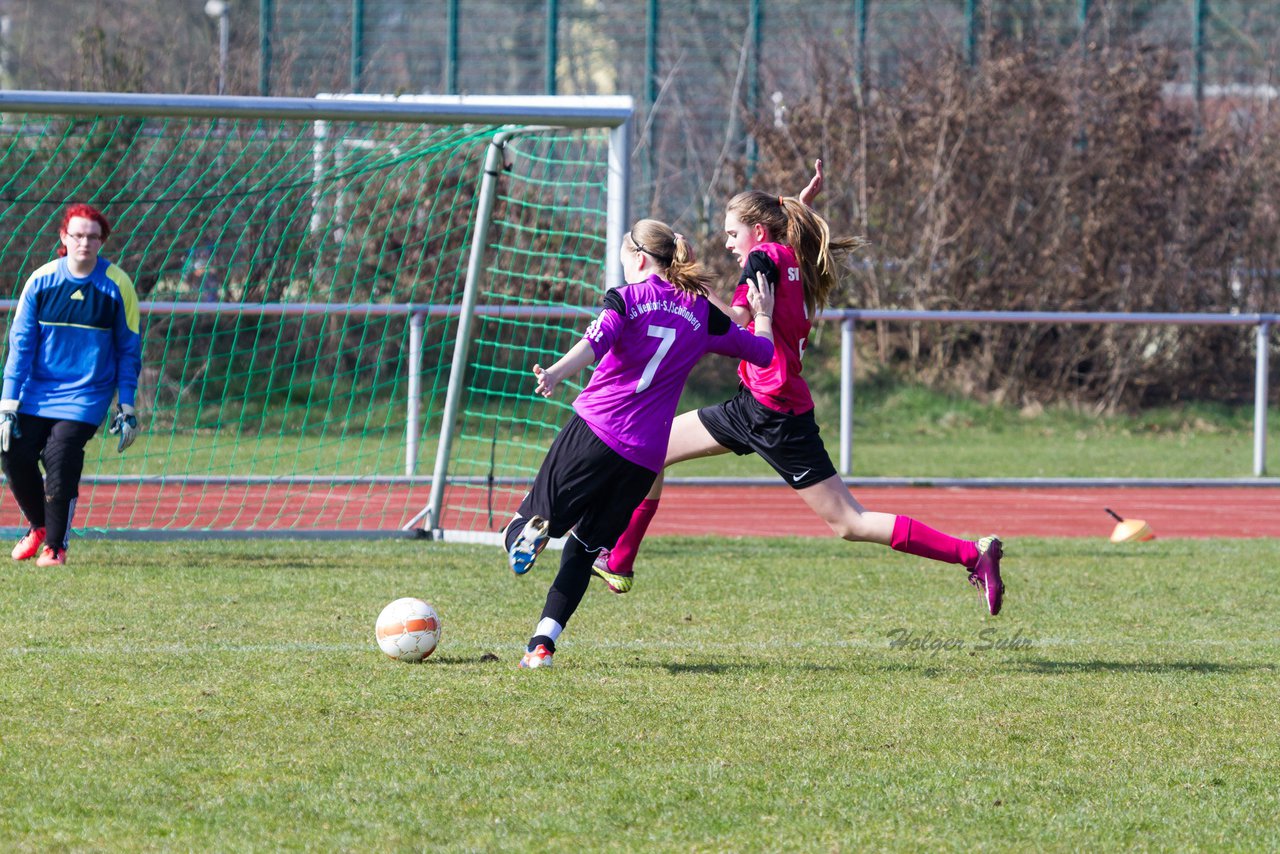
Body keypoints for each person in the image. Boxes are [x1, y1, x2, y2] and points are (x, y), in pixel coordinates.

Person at [591, 165, 1006, 616]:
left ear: (757, 231)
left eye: (732, 233)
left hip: (776, 414)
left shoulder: (762, 260)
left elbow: (739, 323)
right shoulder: (788, 257)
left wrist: (687, 284)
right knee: (654, 446)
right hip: (754, 404)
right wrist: (798, 207)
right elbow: (782, 250)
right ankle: (620, 560)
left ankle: (973, 554)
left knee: (850, 522)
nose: (728, 243)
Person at [505, 218, 777, 669]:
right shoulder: (700, 312)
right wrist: (764, 316)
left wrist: (555, 373)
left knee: (523, 524)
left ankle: (531, 532)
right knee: (586, 550)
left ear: (638, 256)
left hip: (593, 433)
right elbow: (762, 353)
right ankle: (541, 645)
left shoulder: (628, 298)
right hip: (644, 458)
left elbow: (596, 341)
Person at [0, 203, 142, 567]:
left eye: (93, 237)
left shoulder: (117, 285)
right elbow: (20, 347)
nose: (85, 243)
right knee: (11, 453)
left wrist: (126, 405)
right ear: (64, 237)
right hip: (36, 391)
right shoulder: (41, 281)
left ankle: (55, 548)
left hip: (86, 395)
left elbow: (128, 351)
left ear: (102, 241)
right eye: (78, 235)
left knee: (60, 456)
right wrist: (8, 403)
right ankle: (40, 526)